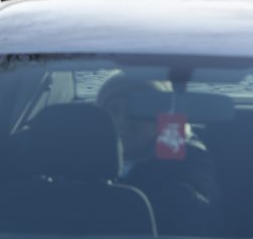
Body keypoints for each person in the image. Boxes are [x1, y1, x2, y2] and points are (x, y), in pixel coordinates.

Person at [96, 73, 224, 235]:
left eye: (138, 111)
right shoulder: (82, 160)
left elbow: (198, 210)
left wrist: (168, 151)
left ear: (163, 118)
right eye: (114, 110)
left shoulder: (190, 157)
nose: (124, 122)